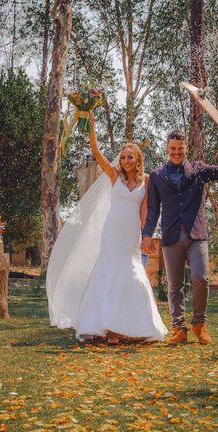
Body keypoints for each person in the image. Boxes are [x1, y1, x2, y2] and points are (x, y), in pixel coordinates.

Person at [47, 113, 168, 344]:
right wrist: (91, 126)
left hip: (131, 235)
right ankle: (106, 326)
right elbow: (97, 153)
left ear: (138, 159)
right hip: (112, 232)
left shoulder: (146, 180)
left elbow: (145, 211)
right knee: (108, 273)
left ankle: (130, 326)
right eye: (123, 157)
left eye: (129, 157)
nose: (125, 161)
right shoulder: (114, 176)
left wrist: (146, 236)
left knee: (131, 275)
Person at [141, 128, 218, 345]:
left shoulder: (199, 169)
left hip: (197, 234)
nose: (176, 152)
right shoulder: (157, 175)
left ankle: (199, 323)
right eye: (172, 149)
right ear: (167, 149)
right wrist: (147, 234)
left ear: (186, 148)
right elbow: (152, 209)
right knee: (174, 285)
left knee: (200, 277)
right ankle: (179, 328)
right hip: (170, 236)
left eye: (180, 148)